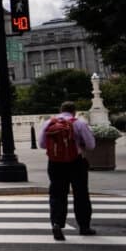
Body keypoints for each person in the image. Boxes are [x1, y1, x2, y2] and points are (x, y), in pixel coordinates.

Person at [37, 101, 97, 240]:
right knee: (81, 194)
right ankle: (84, 227)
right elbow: (91, 145)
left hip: (55, 163)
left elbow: (41, 144)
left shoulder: (48, 123)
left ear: (60, 110)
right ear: (74, 111)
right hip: (76, 162)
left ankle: (57, 223)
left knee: (57, 194)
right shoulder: (79, 123)